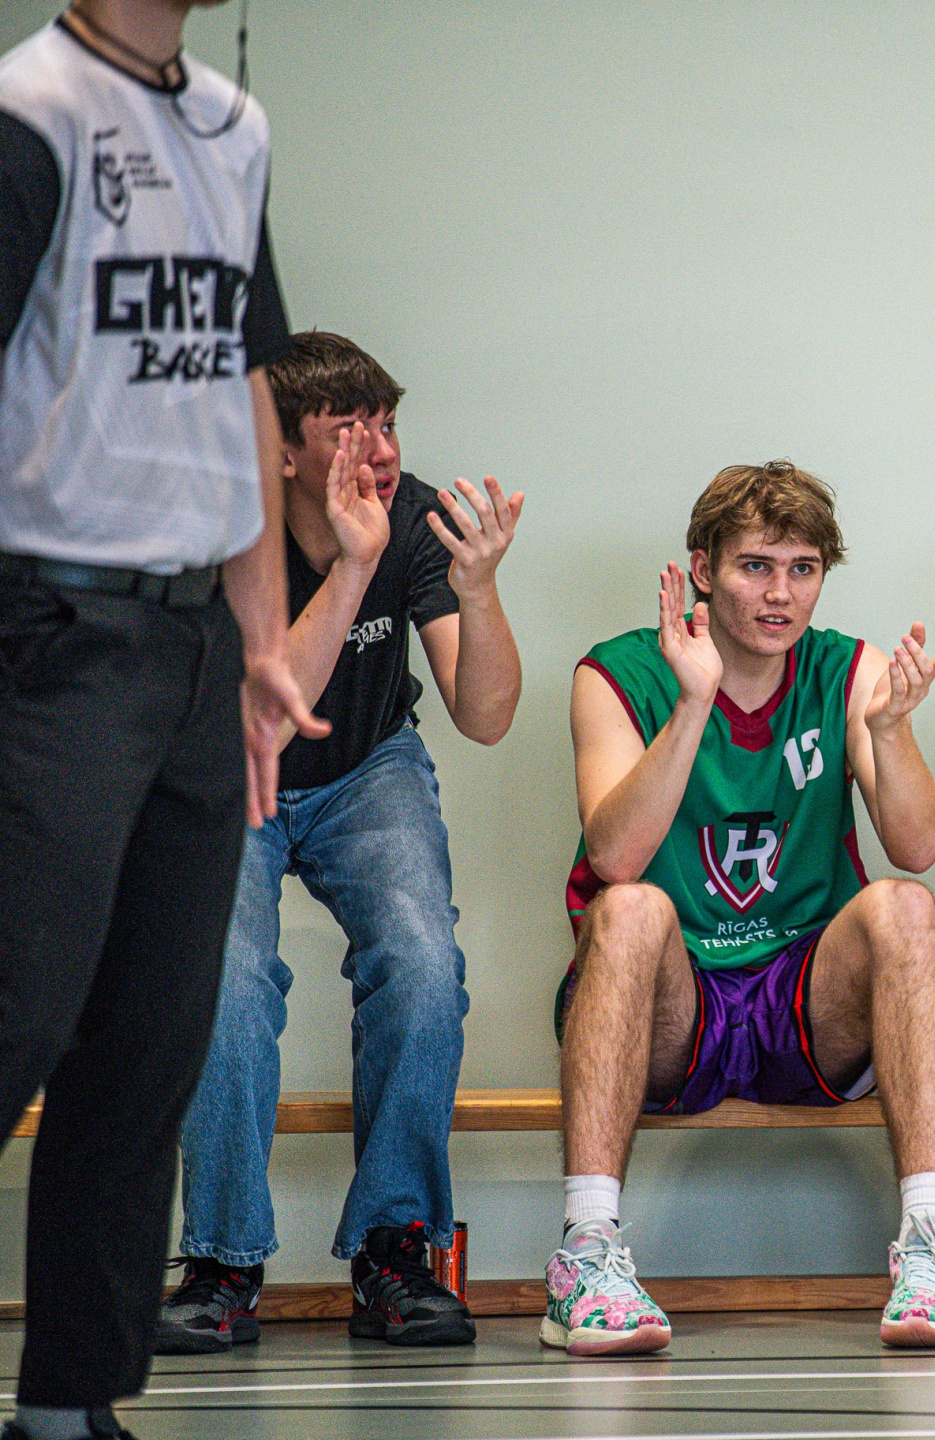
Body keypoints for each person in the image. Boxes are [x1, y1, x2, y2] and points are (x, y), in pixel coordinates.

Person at [0, 2, 323, 1436]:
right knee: (19, 1012)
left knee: (149, 1042)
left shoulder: (234, 129)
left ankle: (70, 1408)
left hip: (194, 644)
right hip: (47, 629)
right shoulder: (32, 113)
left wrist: (258, 639)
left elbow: (245, 384)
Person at [548, 460, 935, 1353]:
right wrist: (692, 702)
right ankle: (586, 1254)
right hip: (676, 1001)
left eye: (802, 569)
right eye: (756, 567)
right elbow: (615, 857)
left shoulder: (846, 670)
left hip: (801, 999)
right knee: (628, 908)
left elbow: (919, 845)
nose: (781, 594)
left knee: (906, 906)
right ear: (704, 570)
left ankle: (933, 1248)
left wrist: (890, 730)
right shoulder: (616, 672)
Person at [157, 332, 525, 1354]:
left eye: (390, 424)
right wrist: (355, 566)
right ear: (283, 454)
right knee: (226, 980)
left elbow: (485, 717)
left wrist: (479, 590)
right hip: (234, 769)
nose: (383, 451)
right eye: (351, 430)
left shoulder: (415, 520)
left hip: (369, 765)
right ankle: (224, 1260)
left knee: (421, 962)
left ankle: (393, 1251)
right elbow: (268, 722)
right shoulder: (224, 534)